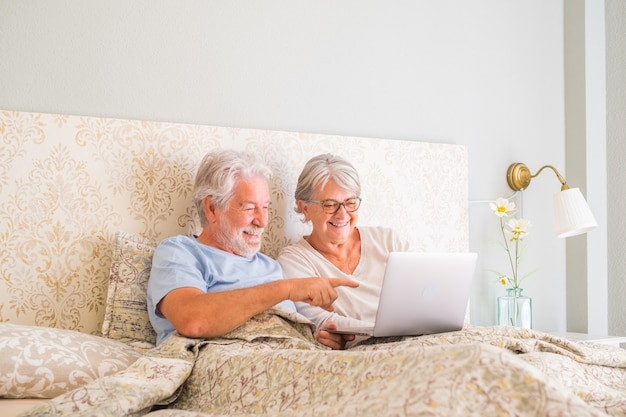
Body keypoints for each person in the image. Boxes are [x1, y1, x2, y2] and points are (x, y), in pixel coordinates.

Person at [146, 149, 358, 347]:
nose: (263, 221)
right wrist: (287, 289)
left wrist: (320, 339)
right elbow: (192, 320)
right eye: (249, 208)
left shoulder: (270, 266)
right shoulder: (179, 251)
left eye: (265, 208)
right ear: (212, 209)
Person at [277, 153, 410, 347]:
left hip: (416, 338)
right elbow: (320, 320)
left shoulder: (388, 241)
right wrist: (381, 332)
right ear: (304, 208)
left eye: (350, 202)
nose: (342, 214)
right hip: (373, 349)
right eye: (329, 204)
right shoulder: (295, 260)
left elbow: (421, 299)